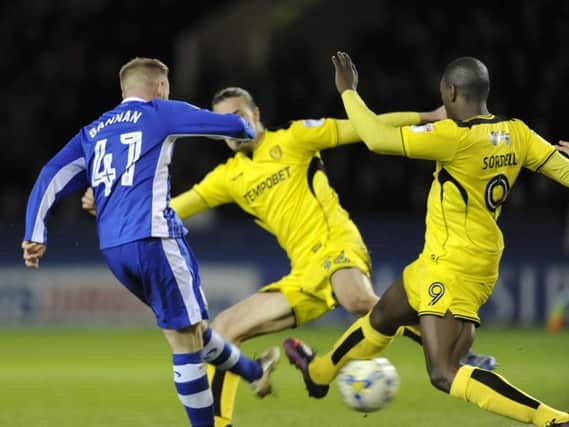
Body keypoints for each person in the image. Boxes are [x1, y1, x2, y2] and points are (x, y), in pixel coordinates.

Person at [83, 86, 496, 426]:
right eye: (225, 122)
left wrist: (426, 116)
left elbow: (359, 128)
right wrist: (114, 201)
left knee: (359, 302)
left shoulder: (295, 139)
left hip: (337, 245)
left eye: (240, 116)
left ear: (257, 113)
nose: (235, 128)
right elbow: (172, 206)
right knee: (222, 330)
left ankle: (455, 354)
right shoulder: (228, 177)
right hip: (302, 273)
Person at [284, 52, 569, 427]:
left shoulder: (454, 137)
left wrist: (348, 92)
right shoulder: (517, 131)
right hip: (447, 258)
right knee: (383, 315)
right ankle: (319, 373)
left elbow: (374, 138)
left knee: (444, 372)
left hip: (454, 267)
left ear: (450, 91)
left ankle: (552, 420)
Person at [21, 57, 280, 427]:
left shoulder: (93, 131)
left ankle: (255, 372)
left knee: (193, 330)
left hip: (114, 250)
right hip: (154, 238)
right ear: (160, 87)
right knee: (185, 343)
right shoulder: (160, 112)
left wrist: (35, 232)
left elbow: (52, 173)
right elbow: (230, 126)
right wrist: (246, 124)